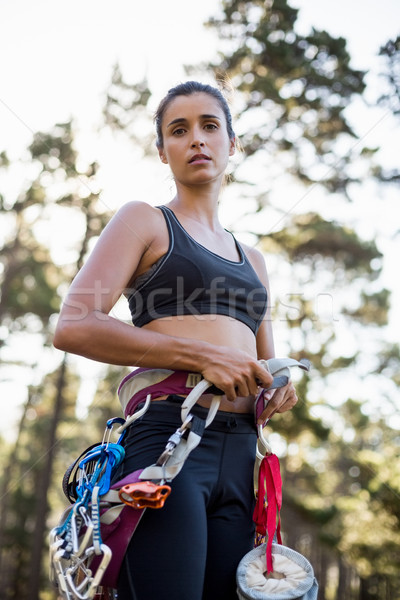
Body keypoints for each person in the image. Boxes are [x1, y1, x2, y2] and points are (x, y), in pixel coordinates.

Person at [53, 80, 298, 600]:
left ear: (234, 144)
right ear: (163, 152)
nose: (197, 140)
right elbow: (74, 323)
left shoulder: (254, 260)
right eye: (179, 130)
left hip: (241, 456)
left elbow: (262, 361)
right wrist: (200, 354)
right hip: (170, 436)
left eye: (210, 126)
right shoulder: (145, 220)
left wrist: (276, 387)